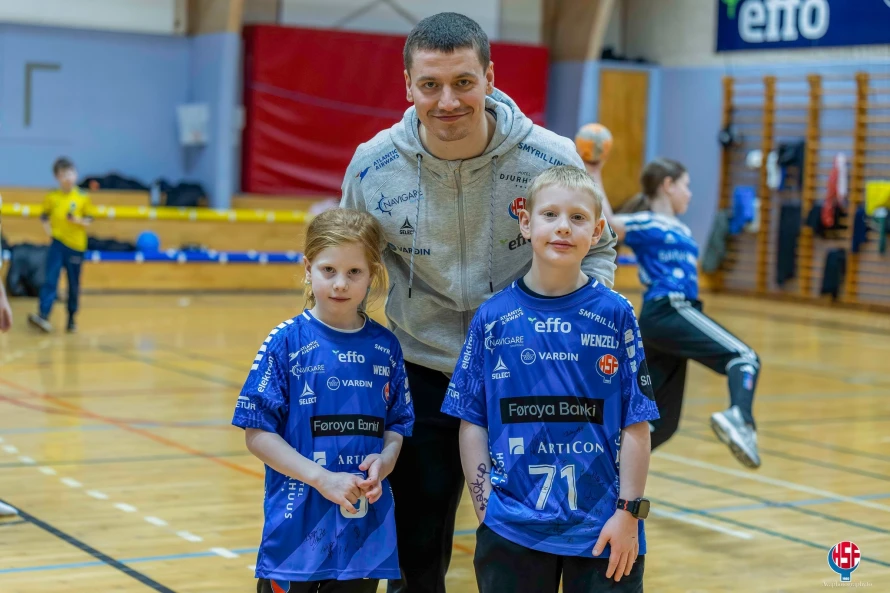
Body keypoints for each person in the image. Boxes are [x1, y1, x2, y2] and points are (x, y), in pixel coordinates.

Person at [339, 13, 618, 591]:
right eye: (430, 85)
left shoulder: (550, 156)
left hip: (531, 376)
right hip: (424, 371)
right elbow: (350, 261)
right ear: (408, 86)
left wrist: (576, 336)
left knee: (529, 550)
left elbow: (599, 249)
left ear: (489, 78)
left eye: (463, 82)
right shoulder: (372, 165)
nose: (447, 101)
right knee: (416, 555)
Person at [442, 165, 658, 593]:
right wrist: (486, 509)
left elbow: (636, 422)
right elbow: (472, 420)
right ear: (525, 223)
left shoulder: (616, 314)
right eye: (550, 215)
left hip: (603, 527)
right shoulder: (493, 316)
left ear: (597, 231)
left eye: (577, 218)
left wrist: (629, 512)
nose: (563, 227)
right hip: (512, 529)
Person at [231, 208, 415, 593]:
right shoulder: (285, 342)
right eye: (328, 270)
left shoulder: (386, 347)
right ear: (307, 268)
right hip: (295, 536)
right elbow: (256, 433)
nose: (340, 284)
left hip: (362, 536)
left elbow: (397, 425)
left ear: (373, 274)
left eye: (354, 272)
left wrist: (386, 460)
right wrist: (322, 479)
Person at [599, 157, 761, 468]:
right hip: (669, 308)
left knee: (660, 423)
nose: (690, 194)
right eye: (686, 186)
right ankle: (741, 418)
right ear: (668, 185)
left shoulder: (681, 228)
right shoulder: (646, 222)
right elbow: (609, 223)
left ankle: (604, 470)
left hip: (666, 323)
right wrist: (594, 171)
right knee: (745, 358)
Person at [27, 157, 93, 334]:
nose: (68, 178)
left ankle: (71, 318)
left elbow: (89, 219)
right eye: (63, 175)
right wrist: (50, 232)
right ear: (57, 177)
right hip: (57, 244)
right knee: (50, 279)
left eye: (71, 173)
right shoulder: (52, 197)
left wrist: (76, 220)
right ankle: (43, 315)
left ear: (76, 174)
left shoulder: (82, 197)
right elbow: (44, 216)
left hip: (76, 246)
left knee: (73, 283)